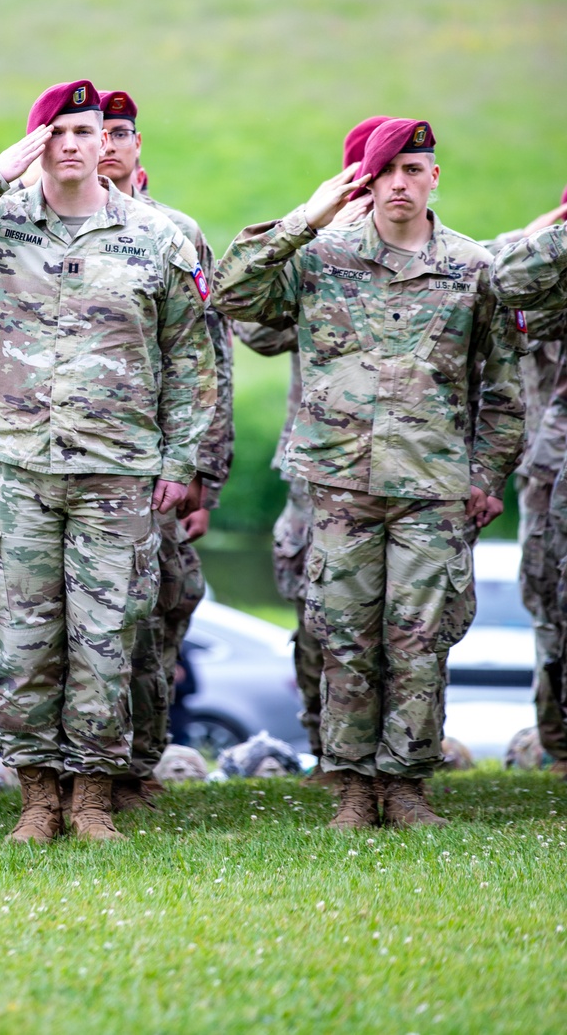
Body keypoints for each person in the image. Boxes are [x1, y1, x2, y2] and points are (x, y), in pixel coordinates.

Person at [0, 79, 216, 842]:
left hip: (116, 472)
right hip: (16, 472)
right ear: (37, 143)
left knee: (106, 638)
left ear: (109, 144)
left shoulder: (159, 237)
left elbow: (190, 356)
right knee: (27, 643)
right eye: (56, 131)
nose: (72, 144)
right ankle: (38, 796)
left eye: (86, 131)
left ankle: (93, 797)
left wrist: (179, 457)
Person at [214, 118, 523, 828]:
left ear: (434, 178)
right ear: (363, 181)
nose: (398, 185)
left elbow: (503, 389)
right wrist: (306, 217)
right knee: (344, 635)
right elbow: (232, 292)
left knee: (419, 639)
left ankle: (408, 787)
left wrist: (485, 475)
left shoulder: (474, 270)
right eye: (384, 173)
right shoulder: (323, 256)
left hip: (430, 489)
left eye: (413, 171)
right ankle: (353, 786)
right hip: (340, 483)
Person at [236, 116, 393, 760]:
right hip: (319, 468)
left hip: (410, 466)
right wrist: (310, 232)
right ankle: (326, 746)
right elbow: (254, 328)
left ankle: (395, 757)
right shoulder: (317, 258)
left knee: (407, 619)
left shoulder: (427, 255)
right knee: (318, 614)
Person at [96, 89, 231, 807]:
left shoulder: (177, 232)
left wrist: (207, 467)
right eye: (98, 133)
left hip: (159, 469)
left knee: (156, 613)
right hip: (85, 459)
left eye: (122, 133)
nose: (109, 145)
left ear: (138, 148)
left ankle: (136, 765)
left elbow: (211, 356)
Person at [491, 211, 567, 775]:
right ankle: (559, 744)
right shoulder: (549, 275)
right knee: (549, 605)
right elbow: (497, 278)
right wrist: (542, 233)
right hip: (548, 473)